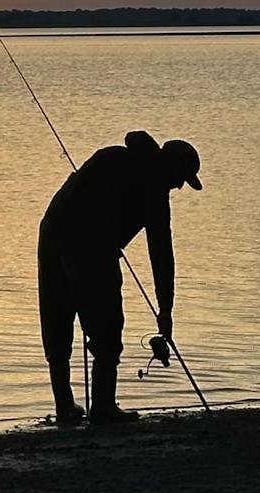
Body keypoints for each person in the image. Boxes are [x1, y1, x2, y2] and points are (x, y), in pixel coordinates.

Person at [37, 131, 202, 426]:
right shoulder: (155, 191)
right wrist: (165, 309)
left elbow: (74, 188)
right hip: (90, 248)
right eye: (181, 178)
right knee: (106, 330)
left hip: (51, 233)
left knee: (57, 324)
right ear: (172, 166)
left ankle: (65, 406)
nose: (179, 186)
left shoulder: (111, 155)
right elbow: (161, 254)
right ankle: (102, 407)